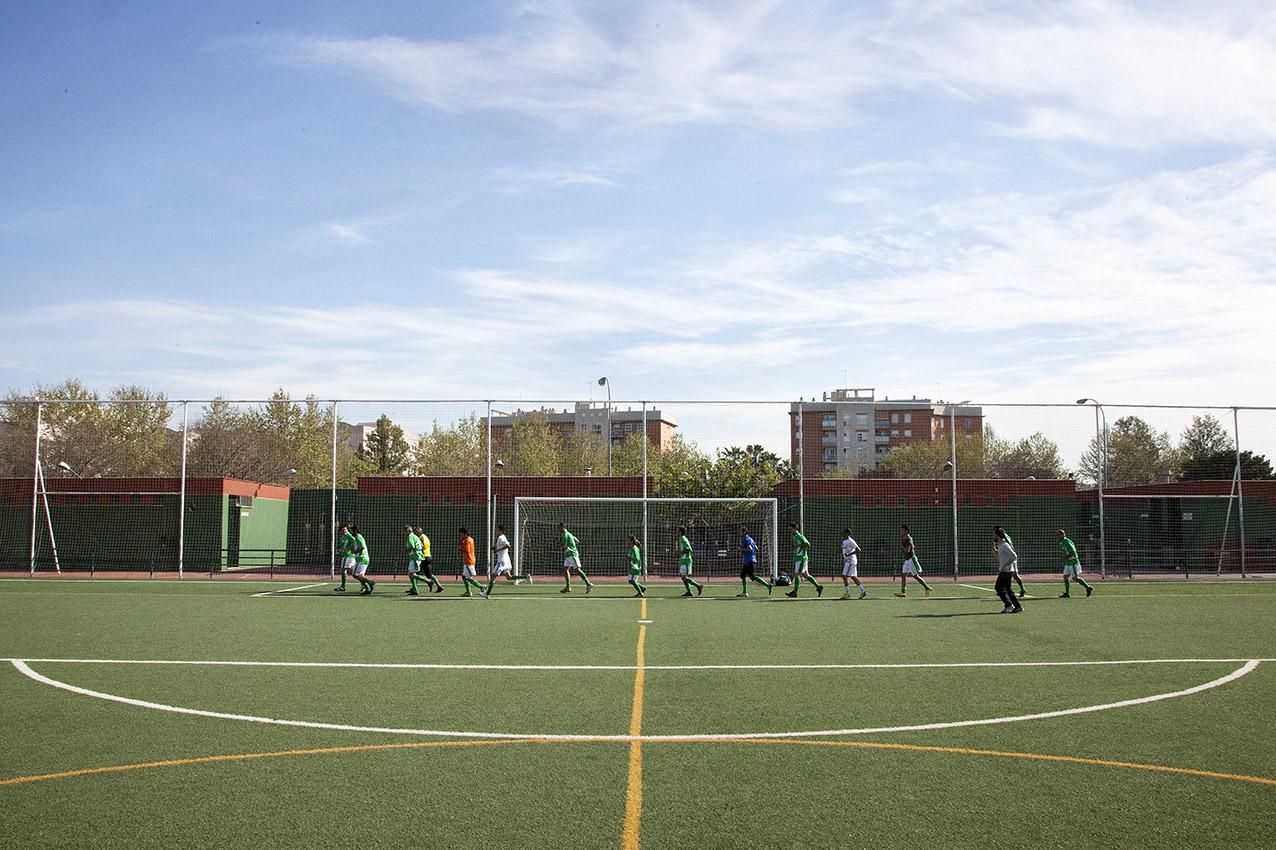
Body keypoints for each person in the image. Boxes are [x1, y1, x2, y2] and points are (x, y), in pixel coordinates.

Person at [482, 524, 531, 598]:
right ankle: (525, 577)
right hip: (506, 561)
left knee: (493, 576)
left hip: (501, 561)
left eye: (497, 530)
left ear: (501, 531)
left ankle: (487, 594)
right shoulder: (502, 538)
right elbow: (502, 546)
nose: (496, 532)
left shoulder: (501, 538)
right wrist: (495, 548)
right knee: (508, 577)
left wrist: (498, 549)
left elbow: (508, 545)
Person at [785, 523, 823, 598]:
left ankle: (795, 592)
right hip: (798, 558)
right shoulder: (794, 537)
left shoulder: (800, 536)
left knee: (796, 575)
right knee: (805, 575)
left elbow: (807, 544)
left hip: (801, 558)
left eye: (791, 529)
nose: (790, 531)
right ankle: (818, 587)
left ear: (795, 528)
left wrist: (798, 545)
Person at [894, 524, 933, 598]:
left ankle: (927, 588)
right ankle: (903, 592)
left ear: (906, 531)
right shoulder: (904, 538)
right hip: (907, 560)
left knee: (915, 576)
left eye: (902, 530)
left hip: (911, 559)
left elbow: (907, 550)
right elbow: (913, 547)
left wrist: (902, 547)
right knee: (903, 575)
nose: (901, 531)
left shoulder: (908, 539)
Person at [737, 526, 774, 597]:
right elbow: (756, 548)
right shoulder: (751, 539)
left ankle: (745, 592)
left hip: (748, 561)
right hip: (752, 560)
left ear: (744, 532)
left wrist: (741, 549)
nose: (739, 533)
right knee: (750, 576)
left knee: (744, 575)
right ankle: (767, 585)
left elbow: (750, 548)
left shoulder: (745, 538)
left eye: (740, 531)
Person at [1057, 528, 1094, 598]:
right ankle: (1067, 593)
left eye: (1058, 535)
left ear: (1062, 535)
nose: (1057, 537)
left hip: (1073, 562)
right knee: (1065, 576)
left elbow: (1073, 552)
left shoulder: (1067, 542)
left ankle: (1088, 587)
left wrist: (1066, 557)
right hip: (1068, 562)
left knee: (1075, 578)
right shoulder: (1062, 542)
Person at [559, 522, 594, 594]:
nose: (559, 529)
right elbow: (577, 540)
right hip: (568, 555)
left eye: (559, 527)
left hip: (572, 554)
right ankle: (568, 587)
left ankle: (588, 584)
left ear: (563, 527)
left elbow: (564, 546)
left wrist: (561, 546)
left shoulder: (565, 535)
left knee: (577, 570)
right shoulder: (569, 534)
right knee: (565, 570)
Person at [995, 526, 1028, 599]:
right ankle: (1004, 589)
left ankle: (1022, 589)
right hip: (1008, 556)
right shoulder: (1004, 538)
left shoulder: (1004, 538)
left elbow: (1010, 549)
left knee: (1014, 574)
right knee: (1012, 574)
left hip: (1009, 556)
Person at [995, 527, 1022, 613]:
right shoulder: (1000, 545)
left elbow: (1014, 556)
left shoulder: (1005, 545)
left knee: (1000, 587)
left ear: (998, 535)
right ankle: (1015, 606)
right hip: (1004, 570)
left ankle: (1010, 605)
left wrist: (1006, 565)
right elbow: (1000, 556)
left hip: (1007, 571)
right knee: (1004, 588)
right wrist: (993, 549)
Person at [676, 526, 705, 597]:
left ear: (680, 532)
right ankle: (689, 592)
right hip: (683, 560)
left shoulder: (683, 538)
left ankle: (698, 586)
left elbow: (689, 549)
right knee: (683, 577)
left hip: (686, 560)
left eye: (677, 531)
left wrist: (680, 552)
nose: (676, 532)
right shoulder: (681, 539)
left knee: (684, 577)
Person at [413, 526, 444, 593]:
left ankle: (415, 588)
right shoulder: (425, 537)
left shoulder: (421, 538)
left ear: (419, 531)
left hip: (423, 557)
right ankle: (439, 586)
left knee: (414, 573)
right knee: (429, 575)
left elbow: (420, 547)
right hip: (428, 557)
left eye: (416, 531)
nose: (415, 533)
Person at [840, 528, 868, 600]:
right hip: (847, 561)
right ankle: (847, 593)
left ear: (848, 534)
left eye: (844, 533)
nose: (843, 534)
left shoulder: (851, 541)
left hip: (852, 561)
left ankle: (863, 591)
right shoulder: (844, 541)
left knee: (852, 576)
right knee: (844, 576)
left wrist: (849, 554)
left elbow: (858, 550)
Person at [457, 528, 485, 597]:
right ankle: (468, 592)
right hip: (468, 560)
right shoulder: (470, 539)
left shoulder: (467, 540)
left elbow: (467, 550)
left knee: (468, 577)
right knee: (464, 577)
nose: (460, 535)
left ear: (464, 533)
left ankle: (481, 587)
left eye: (461, 534)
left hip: (468, 560)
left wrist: (461, 548)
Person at [350, 524, 375, 594]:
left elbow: (362, 547)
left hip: (362, 558)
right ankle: (367, 589)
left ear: (356, 531)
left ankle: (370, 582)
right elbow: (354, 548)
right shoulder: (356, 538)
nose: (352, 532)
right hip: (362, 559)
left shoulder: (358, 537)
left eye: (352, 531)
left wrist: (355, 551)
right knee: (360, 576)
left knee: (355, 575)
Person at [333, 523, 357, 592]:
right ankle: (364, 583)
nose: (344, 531)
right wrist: (338, 549)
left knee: (344, 571)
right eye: (343, 530)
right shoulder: (342, 538)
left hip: (349, 556)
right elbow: (341, 546)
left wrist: (349, 548)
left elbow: (354, 542)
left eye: (345, 529)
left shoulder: (349, 536)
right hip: (345, 556)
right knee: (353, 573)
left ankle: (343, 586)